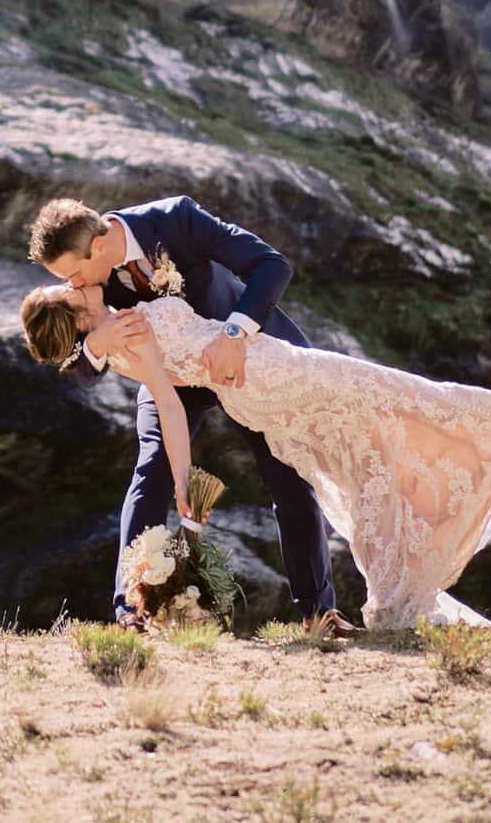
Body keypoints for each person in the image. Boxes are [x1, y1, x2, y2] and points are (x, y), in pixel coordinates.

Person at [20, 271, 491, 630]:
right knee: (393, 394)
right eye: (65, 288)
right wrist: (182, 481)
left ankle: (398, 595)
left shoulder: (113, 341)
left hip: (261, 381)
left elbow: (154, 382)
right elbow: (169, 405)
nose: (71, 279)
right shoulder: (124, 333)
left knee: (365, 452)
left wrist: (95, 347)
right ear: (76, 315)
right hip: (270, 376)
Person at [27, 194, 347, 632]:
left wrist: (233, 336)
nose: (73, 285)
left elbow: (272, 265)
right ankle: (130, 610)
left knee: (288, 474)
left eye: (74, 274)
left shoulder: (176, 220)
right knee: (151, 470)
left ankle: (319, 612)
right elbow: (70, 354)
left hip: (243, 359)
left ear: (98, 246)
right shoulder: (86, 291)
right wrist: (97, 346)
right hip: (168, 375)